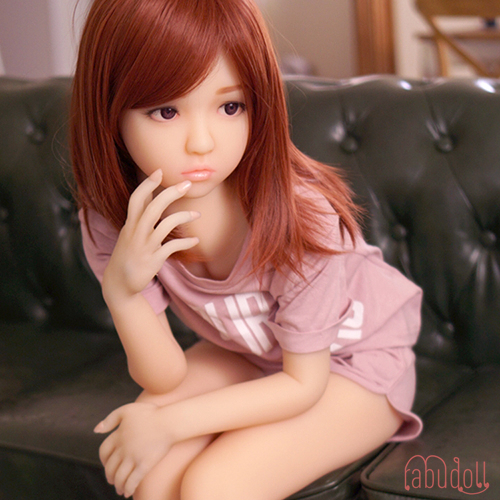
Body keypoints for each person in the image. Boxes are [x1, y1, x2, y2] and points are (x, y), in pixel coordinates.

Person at [71, 0, 423, 499]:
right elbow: (164, 377)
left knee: (214, 485)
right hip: (249, 353)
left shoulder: (301, 217)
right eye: (167, 111)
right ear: (108, 109)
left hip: (352, 364)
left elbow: (303, 384)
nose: (201, 142)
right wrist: (123, 292)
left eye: (230, 107)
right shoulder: (115, 218)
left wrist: (172, 423)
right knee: (152, 477)